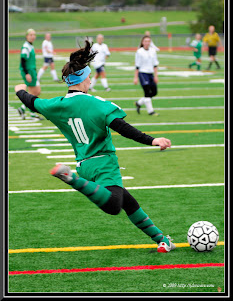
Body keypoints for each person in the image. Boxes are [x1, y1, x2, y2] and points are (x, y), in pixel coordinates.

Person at [14, 40, 175, 253]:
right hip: (104, 163)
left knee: (127, 200)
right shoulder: (97, 103)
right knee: (114, 205)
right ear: (83, 80)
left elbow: (32, 101)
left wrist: (19, 91)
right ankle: (72, 179)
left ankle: (162, 240)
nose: (91, 80)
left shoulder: (56, 105)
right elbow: (122, 127)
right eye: (89, 77)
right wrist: (152, 140)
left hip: (84, 165)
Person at [18, 28, 43, 120]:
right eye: (31, 35)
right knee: (34, 92)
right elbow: (23, 60)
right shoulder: (26, 47)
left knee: (35, 92)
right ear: (27, 36)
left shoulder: (30, 46)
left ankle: (24, 109)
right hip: (29, 71)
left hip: (32, 71)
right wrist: (27, 73)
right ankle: (28, 112)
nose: (33, 37)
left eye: (34, 35)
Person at [134, 35, 159, 116]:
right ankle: (151, 111)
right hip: (142, 73)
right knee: (147, 92)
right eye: (145, 41)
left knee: (154, 92)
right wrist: (135, 77)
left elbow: (155, 64)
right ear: (142, 42)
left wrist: (156, 76)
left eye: (149, 41)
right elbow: (137, 66)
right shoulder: (139, 52)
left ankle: (139, 103)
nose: (147, 43)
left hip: (150, 74)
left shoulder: (153, 51)